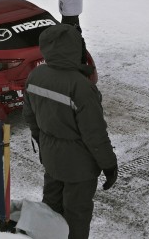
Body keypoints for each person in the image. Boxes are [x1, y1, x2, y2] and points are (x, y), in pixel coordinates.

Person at [23, 24, 117, 239]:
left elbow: (30, 117)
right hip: (79, 167)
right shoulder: (81, 87)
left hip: (51, 158)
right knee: (76, 215)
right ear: (74, 48)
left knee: (51, 207)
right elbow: (94, 133)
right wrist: (109, 165)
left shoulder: (35, 76)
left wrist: (44, 142)